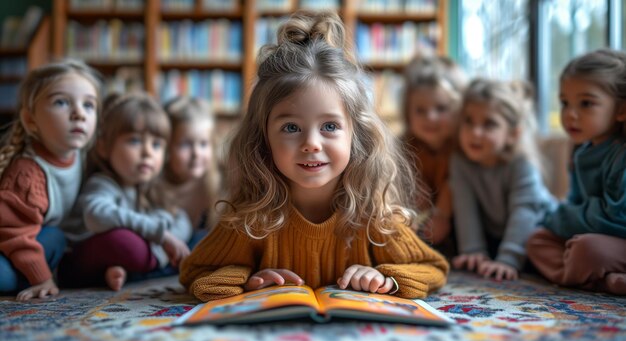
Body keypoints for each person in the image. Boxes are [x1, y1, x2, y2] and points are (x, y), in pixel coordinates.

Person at [179, 10, 449, 302]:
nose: (311, 144)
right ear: (263, 138)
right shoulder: (250, 219)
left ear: (356, 135)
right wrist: (245, 280)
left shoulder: (374, 216)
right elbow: (194, 272)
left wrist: (386, 279)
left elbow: (433, 268)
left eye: (330, 126)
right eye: (291, 127)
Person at [59, 93, 191, 291]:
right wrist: (161, 237)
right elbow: (96, 215)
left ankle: (124, 271)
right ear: (104, 147)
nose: (148, 152)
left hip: (129, 255)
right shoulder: (102, 183)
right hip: (80, 259)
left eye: (156, 145)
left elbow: (182, 219)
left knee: (196, 238)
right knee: (125, 243)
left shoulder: (149, 188)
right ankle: (146, 268)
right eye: (135, 141)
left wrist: (169, 239)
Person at [526, 49, 626, 295]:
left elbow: (616, 218)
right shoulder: (582, 151)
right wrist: (560, 219)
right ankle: (604, 281)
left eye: (586, 103)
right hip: (598, 237)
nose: (570, 114)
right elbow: (576, 201)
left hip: (615, 236)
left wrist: (560, 217)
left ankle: (592, 277)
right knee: (537, 240)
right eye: (564, 103)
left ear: (621, 109)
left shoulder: (621, 154)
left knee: (586, 249)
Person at [0, 60, 101, 301]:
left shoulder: (81, 155)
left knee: (58, 237)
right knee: (52, 238)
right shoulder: (28, 172)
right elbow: (14, 234)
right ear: (31, 119)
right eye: (61, 102)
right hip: (9, 242)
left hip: (36, 240)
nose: (79, 113)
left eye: (89, 105)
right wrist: (40, 277)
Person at [450, 78, 556, 281]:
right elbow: (465, 206)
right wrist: (473, 251)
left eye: (489, 124)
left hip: (539, 227)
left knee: (543, 249)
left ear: (513, 134)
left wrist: (508, 259)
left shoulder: (521, 163)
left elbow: (525, 212)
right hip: (499, 236)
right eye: (468, 121)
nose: (475, 133)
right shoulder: (460, 161)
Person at [402, 54, 466, 253]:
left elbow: (455, 183)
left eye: (441, 108)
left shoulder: (462, 147)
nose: (431, 117)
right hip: (420, 220)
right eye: (420, 110)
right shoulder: (405, 146)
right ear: (407, 113)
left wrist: (442, 214)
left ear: (458, 110)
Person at [161, 96, 221, 242]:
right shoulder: (155, 186)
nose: (196, 153)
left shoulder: (218, 184)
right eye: (185, 144)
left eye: (203, 144)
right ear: (166, 147)